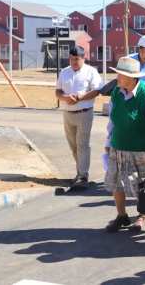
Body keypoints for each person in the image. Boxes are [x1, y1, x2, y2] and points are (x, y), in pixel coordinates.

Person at [103, 57, 145, 233]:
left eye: (120, 75)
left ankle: (142, 216)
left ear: (132, 78)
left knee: (142, 185)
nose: (117, 78)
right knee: (116, 182)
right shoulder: (116, 92)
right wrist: (108, 141)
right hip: (118, 146)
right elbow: (112, 119)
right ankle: (121, 216)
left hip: (141, 150)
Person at [55, 46, 102, 189]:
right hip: (68, 113)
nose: (74, 62)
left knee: (82, 144)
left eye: (76, 59)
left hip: (84, 113)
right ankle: (79, 172)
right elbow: (57, 91)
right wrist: (65, 98)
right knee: (73, 146)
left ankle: (83, 175)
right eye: (71, 59)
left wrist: (81, 97)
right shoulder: (64, 72)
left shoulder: (91, 71)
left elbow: (97, 90)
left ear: (83, 58)